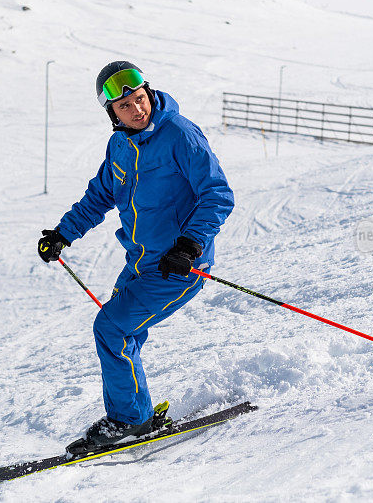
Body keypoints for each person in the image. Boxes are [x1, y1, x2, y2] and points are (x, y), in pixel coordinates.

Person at [37, 61, 234, 453]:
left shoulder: (179, 135)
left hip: (177, 266)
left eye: (140, 99)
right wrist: (63, 233)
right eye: (125, 106)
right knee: (122, 333)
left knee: (111, 328)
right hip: (141, 264)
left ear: (149, 93)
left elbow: (217, 193)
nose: (137, 110)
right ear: (112, 113)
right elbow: (99, 196)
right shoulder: (120, 145)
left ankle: (131, 420)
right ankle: (134, 413)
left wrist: (189, 246)